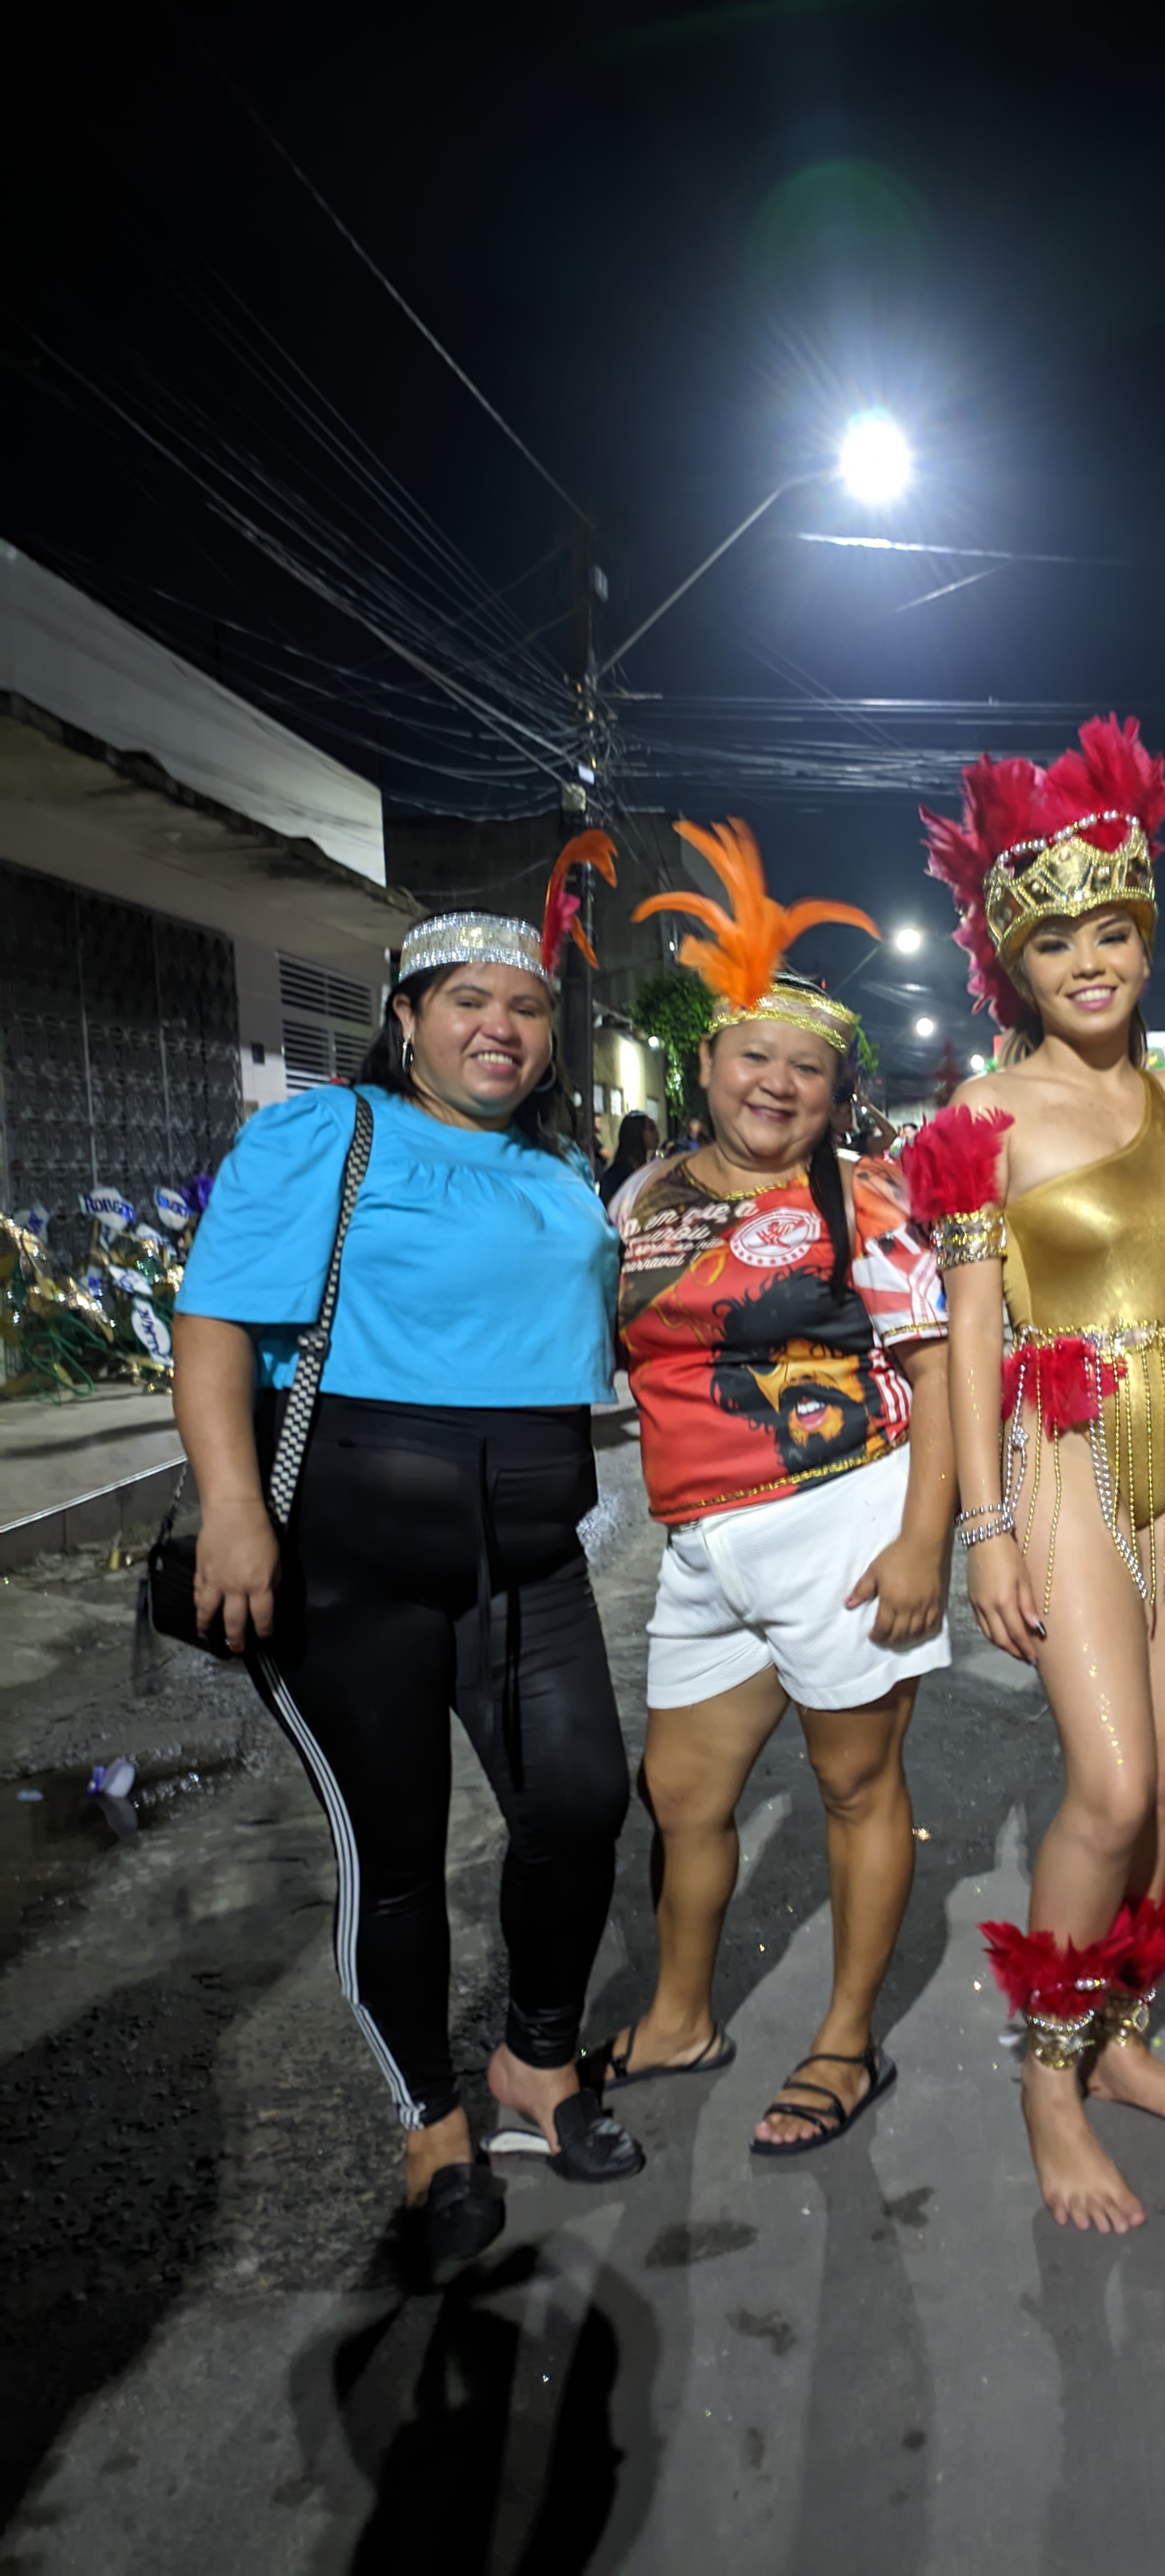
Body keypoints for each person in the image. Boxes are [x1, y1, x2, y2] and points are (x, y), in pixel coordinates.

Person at [172, 834, 644, 2278]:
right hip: (348, 1564)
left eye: (526, 1007)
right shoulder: (325, 1135)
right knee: (396, 1857)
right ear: (407, 1018)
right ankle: (430, 2123)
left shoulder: (560, 1165)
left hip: (528, 1559)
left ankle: (535, 2061)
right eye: (467, 1003)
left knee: (580, 1800)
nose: (500, 1027)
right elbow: (213, 1324)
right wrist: (235, 1509)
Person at [912, 717, 1165, 2231]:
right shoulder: (979, 1120)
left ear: (1145, 937)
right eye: (1053, 943)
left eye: (1111, 932)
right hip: (1066, 1448)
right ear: (1011, 965)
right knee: (1102, 1780)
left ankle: (1123, 2033)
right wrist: (985, 1528)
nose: (1088, 963)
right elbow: (971, 1330)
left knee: (1162, 1775)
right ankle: (1049, 2074)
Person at [582, 821, 956, 2157]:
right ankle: (680, 2016)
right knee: (681, 1796)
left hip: (843, 1518)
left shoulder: (866, 1200)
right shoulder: (643, 1195)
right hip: (699, 1543)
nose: (777, 1082)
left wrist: (924, 1542)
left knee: (855, 1787)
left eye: (808, 1066)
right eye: (754, 1054)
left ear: (837, 1091)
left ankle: (845, 2044)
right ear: (705, 1063)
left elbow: (939, 1372)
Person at [599, 1110, 660, 1207]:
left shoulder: (652, 1169)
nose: (657, 1134)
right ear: (636, 1132)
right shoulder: (614, 1178)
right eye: (651, 1129)